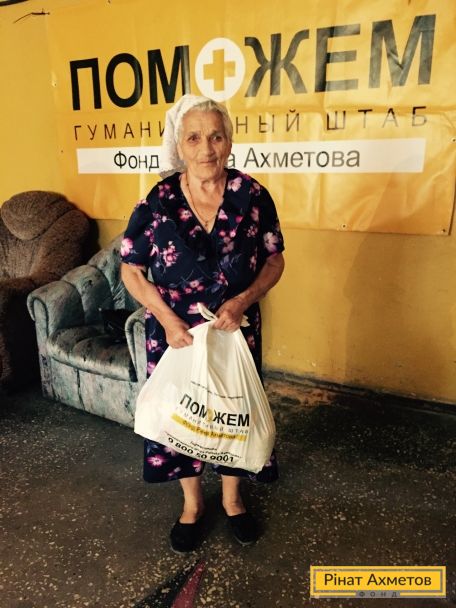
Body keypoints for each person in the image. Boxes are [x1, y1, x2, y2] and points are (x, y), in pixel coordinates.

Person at [120, 94, 285, 554]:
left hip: (235, 328)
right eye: (194, 138)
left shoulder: (253, 196)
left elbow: (275, 260)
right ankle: (192, 505)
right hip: (174, 333)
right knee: (182, 416)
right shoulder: (157, 201)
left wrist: (243, 300)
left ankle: (232, 500)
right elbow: (131, 270)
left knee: (233, 413)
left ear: (229, 141)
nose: (206, 148)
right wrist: (168, 320)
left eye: (216, 136)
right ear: (180, 145)